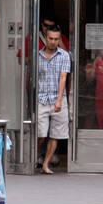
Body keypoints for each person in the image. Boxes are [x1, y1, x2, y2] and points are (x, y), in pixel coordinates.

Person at [36, 24, 70, 173]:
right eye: (50, 38)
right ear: (45, 37)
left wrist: (59, 100)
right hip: (41, 98)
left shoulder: (64, 55)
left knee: (55, 134)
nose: (53, 42)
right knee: (41, 133)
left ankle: (46, 164)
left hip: (58, 98)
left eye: (56, 39)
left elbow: (63, 77)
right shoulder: (37, 55)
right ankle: (36, 156)